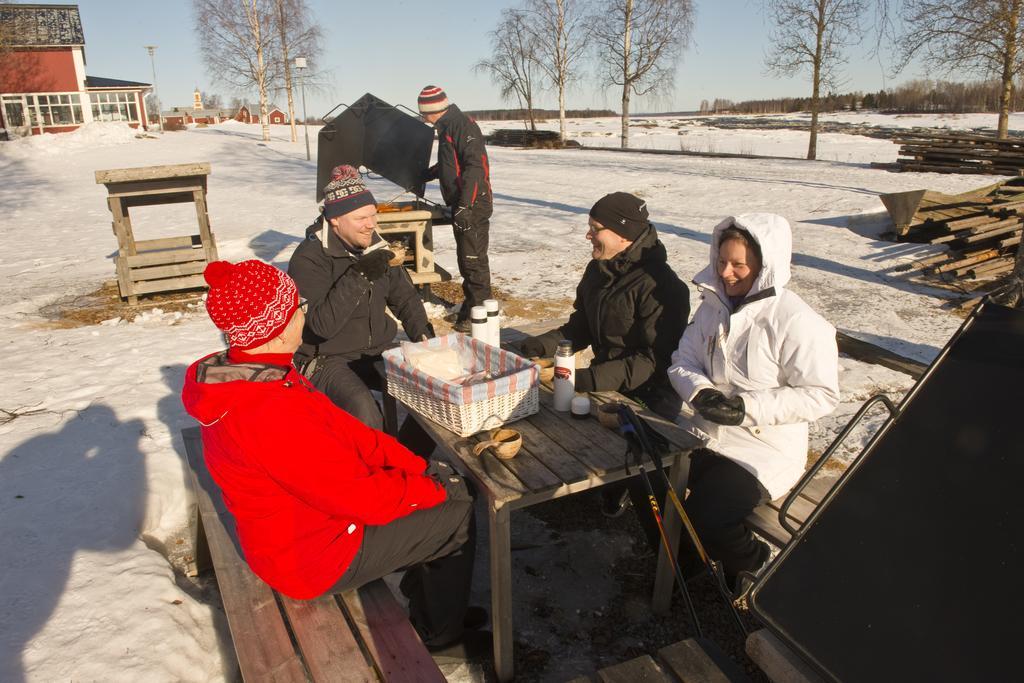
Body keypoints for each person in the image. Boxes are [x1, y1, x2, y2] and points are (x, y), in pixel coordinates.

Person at [181, 260, 488, 658]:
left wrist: (415, 467)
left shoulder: (262, 373)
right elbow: (360, 499)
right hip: (310, 558)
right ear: (276, 327)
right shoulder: (264, 411)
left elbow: (351, 435)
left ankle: (431, 599)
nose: (303, 313)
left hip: (305, 530)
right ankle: (441, 637)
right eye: (296, 307)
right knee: (458, 516)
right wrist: (429, 489)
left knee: (443, 491)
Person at [668, 213, 840, 593]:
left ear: (765, 267)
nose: (727, 273)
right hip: (705, 432)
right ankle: (686, 561)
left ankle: (753, 563)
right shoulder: (712, 306)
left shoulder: (797, 321)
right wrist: (699, 393)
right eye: (721, 261)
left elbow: (821, 393)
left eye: (739, 265)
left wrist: (747, 409)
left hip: (762, 449)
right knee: (646, 475)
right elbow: (683, 361)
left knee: (708, 514)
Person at [517, 192, 690, 516]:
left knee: (600, 440)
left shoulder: (662, 287)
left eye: (595, 228)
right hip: (607, 379)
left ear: (623, 234)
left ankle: (629, 489)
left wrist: (585, 379)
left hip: (650, 394)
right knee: (545, 419)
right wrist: (538, 346)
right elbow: (581, 325)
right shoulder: (598, 270)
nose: (588, 235)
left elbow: (654, 362)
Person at [288, 165, 434, 450]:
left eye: (373, 215)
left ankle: (407, 461)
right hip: (326, 358)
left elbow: (404, 298)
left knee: (437, 390)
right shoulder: (308, 260)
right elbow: (320, 326)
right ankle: (379, 475)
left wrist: (424, 336)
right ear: (335, 221)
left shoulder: (373, 246)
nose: (371, 224)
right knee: (364, 410)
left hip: (375, 348)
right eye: (361, 218)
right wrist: (359, 275)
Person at [418, 85, 493, 332]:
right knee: (466, 258)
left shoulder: (462, 125)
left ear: (432, 110)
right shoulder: (449, 126)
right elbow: (451, 163)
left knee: (473, 260)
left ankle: (479, 315)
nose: (422, 117)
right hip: (463, 203)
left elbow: (474, 168)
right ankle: (473, 305)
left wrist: (464, 206)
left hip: (472, 204)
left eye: (422, 112)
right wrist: (427, 174)